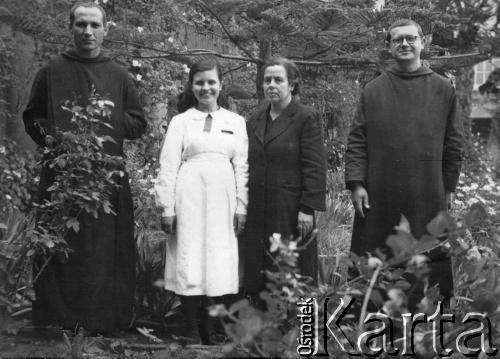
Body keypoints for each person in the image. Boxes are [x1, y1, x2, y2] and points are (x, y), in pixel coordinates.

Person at [23, 2, 146, 334]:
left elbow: (138, 124)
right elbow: (32, 117)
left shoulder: (119, 75)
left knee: (104, 253)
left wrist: (102, 118)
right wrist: (54, 140)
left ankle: (104, 320)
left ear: (106, 29)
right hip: (61, 178)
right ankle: (58, 321)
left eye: (94, 25)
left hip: (107, 181)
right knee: (62, 247)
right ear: (71, 28)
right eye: (81, 24)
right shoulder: (51, 71)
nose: (88, 31)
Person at [345, 19, 464, 309]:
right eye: (397, 40)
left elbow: (455, 143)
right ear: (389, 46)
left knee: (428, 258)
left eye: (411, 38)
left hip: (426, 191)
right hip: (380, 192)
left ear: (423, 42)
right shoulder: (373, 90)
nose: (405, 44)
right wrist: (357, 183)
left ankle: (428, 325)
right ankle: (374, 324)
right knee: (378, 262)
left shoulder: (443, 88)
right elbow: (357, 138)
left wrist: (448, 187)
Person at [155, 59, 248, 343]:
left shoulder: (236, 122)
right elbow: (168, 165)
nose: (205, 88)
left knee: (218, 259)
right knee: (190, 256)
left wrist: (241, 205)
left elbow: (242, 167)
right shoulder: (180, 122)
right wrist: (167, 207)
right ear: (192, 86)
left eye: (211, 82)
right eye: (199, 82)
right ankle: (192, 328)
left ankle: (211, 327)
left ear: (220, 85)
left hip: (224, 199)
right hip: (189, 197)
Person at [242, 56, 327, 297]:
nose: (271, 84)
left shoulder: (305, 117)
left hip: (291, 210)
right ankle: (266, 329)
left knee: (297, 271)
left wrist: (308, 208)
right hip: (259, 208)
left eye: (278, 79)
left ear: (292, 85)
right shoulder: (255, 120)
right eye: (267, 79)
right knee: (263, 268)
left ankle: (305, 332)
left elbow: (315, 166)